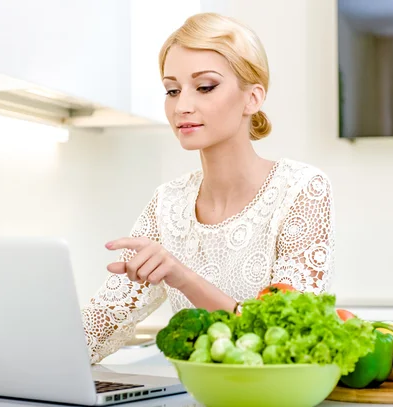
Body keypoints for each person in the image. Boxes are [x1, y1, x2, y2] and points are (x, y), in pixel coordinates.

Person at [81, 12, 335, 364]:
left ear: (252, 98)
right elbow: (96, 330)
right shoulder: (167, 203)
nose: (182, 106)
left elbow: (284, 338)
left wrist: (181, 277)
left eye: (205, 87)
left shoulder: (302, 189)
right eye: (172, 90)